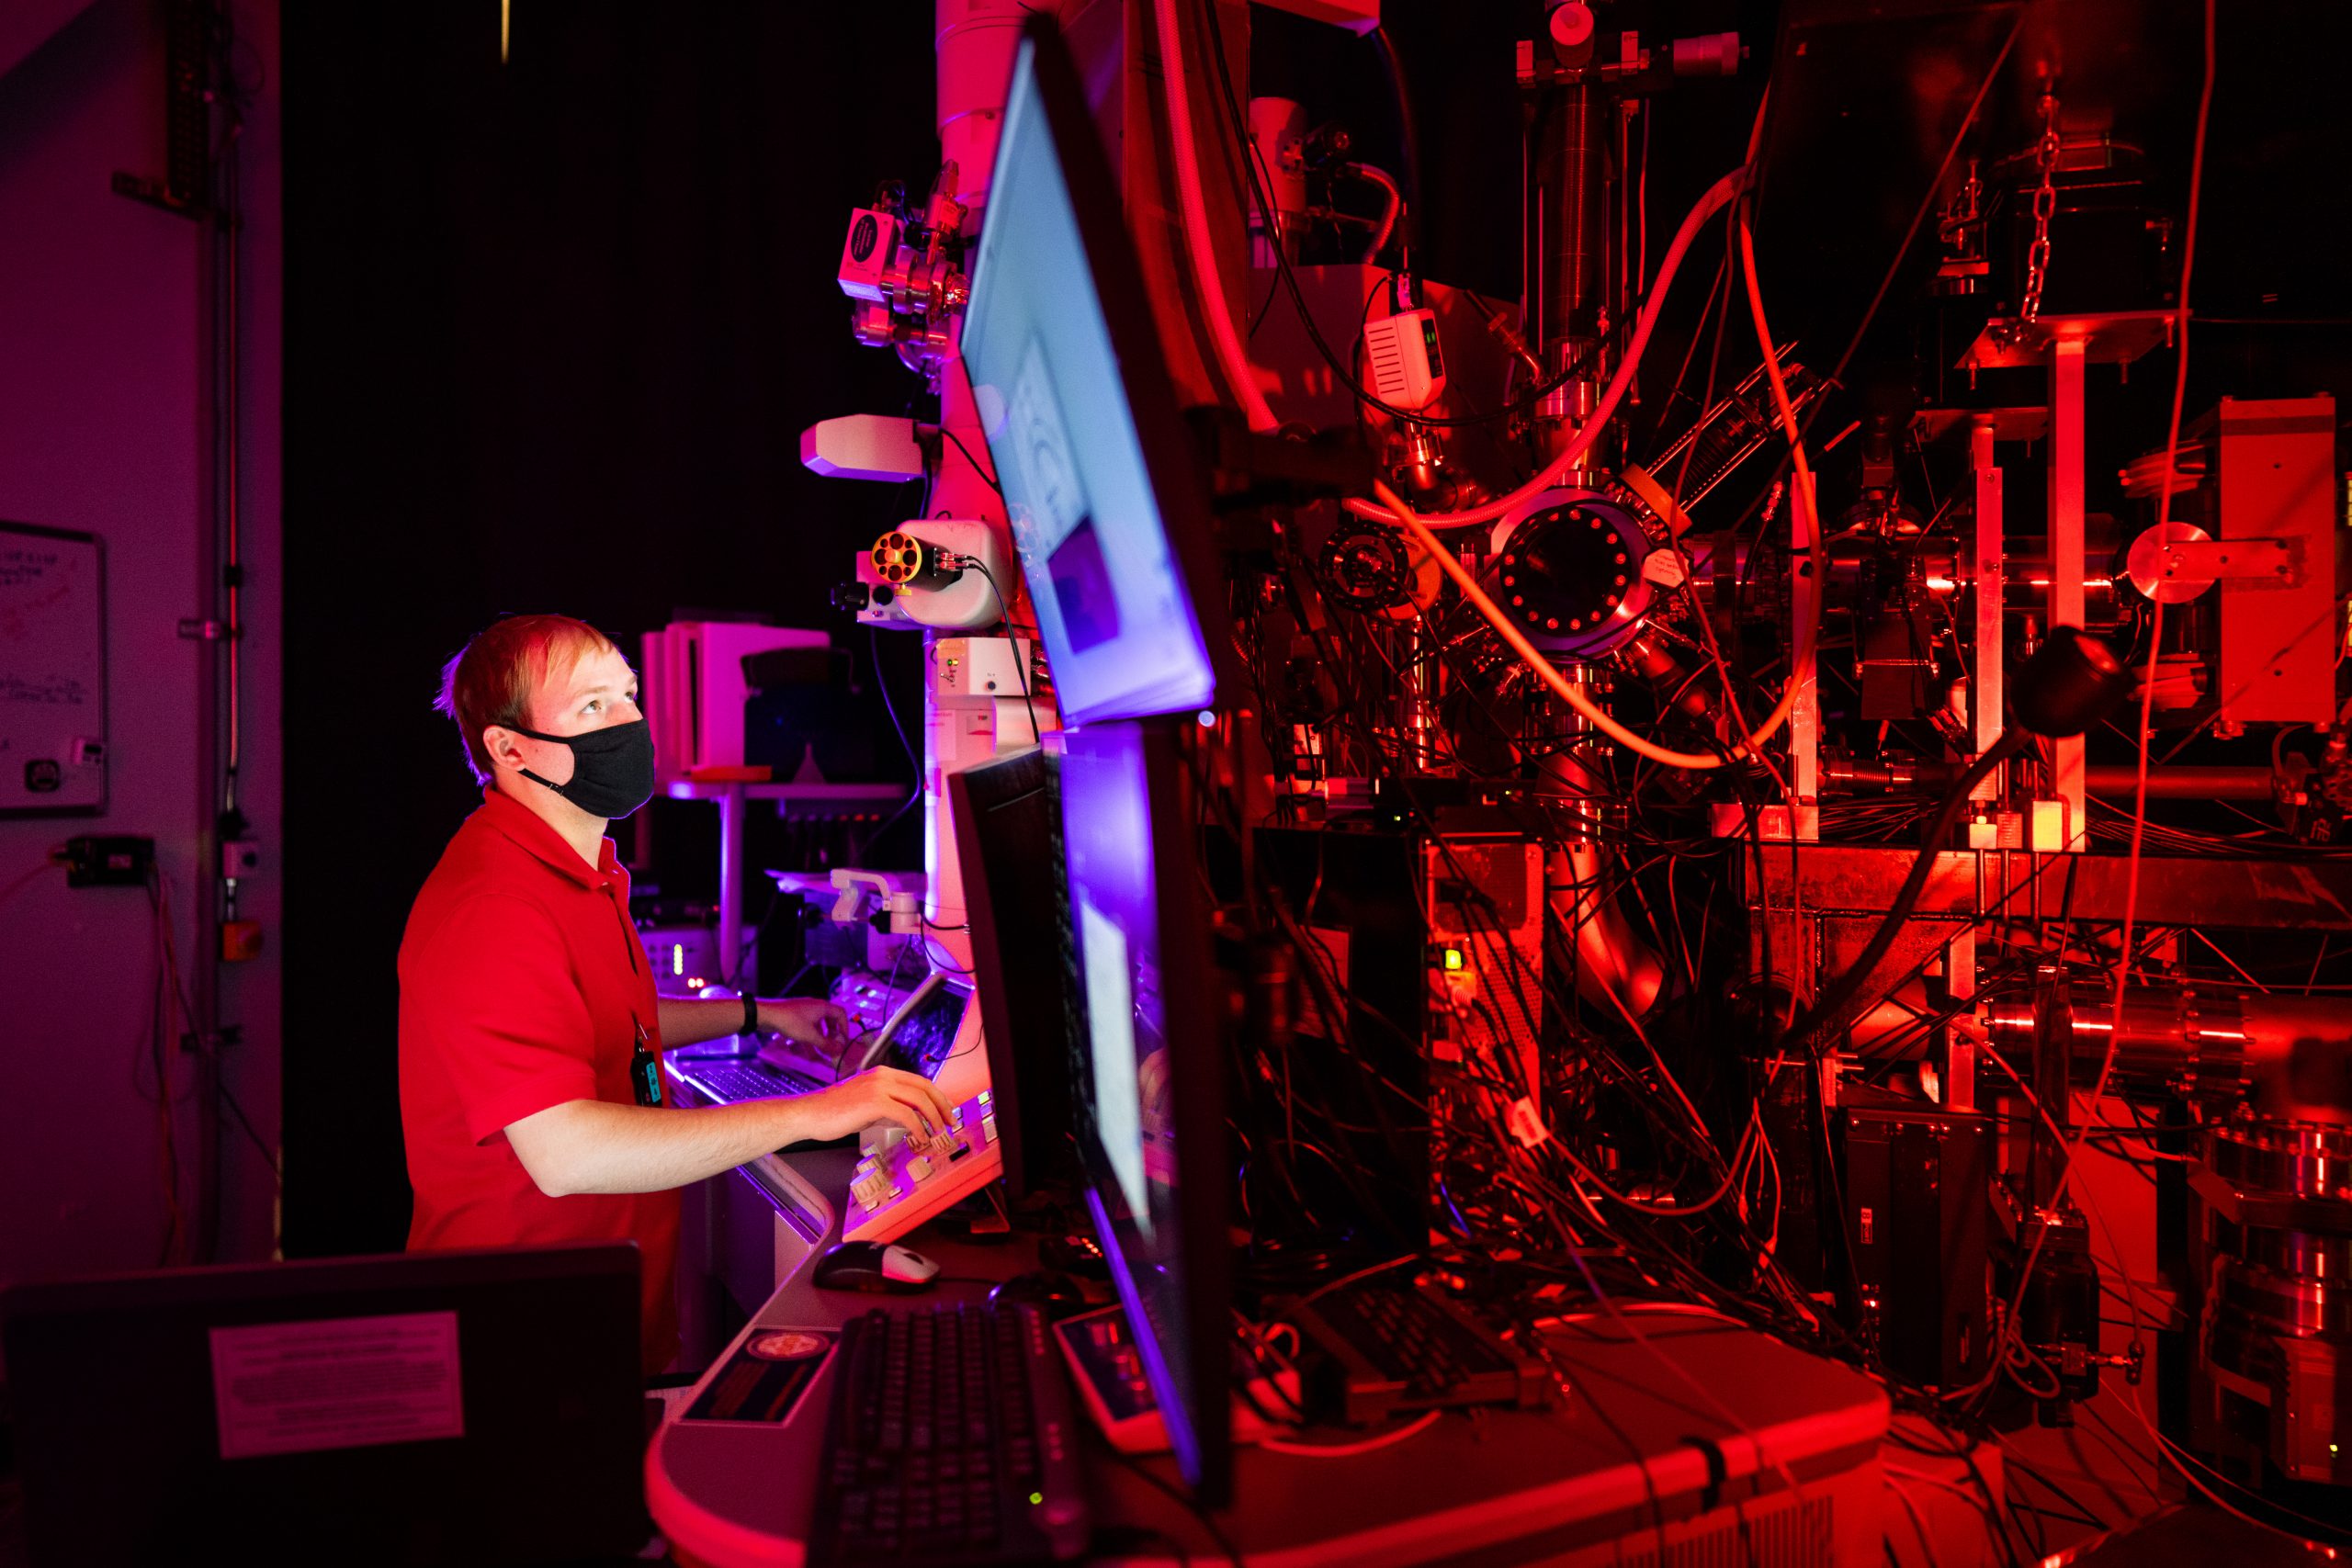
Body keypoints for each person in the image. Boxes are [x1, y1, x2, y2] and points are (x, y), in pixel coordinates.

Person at [399, 613, 949, 1372]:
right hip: (525, 1343)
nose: (628, 721)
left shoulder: (579, 869)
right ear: (509, 747)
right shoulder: (495, 905)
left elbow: (610, 1019)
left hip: (601, 1317)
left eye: (626, 697)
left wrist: (761, 1013)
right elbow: (564, 1153)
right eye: (592, 707)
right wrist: (820, 1109)